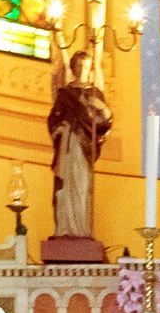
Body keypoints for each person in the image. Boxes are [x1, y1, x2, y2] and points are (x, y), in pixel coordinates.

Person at [47, 49, 113, 240]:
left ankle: (82, 228)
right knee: (64, 186)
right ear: (73, 68)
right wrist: (62, 128)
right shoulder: (65, 94)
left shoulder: (95, 93)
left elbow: (105, 122)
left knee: (83, 187)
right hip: (67, 146)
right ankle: (64, 227)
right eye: (78, 66)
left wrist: (100, 107)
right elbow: (53, 119)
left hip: (84, 147)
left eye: (85, 66)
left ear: (90, 69)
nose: (82, 69)